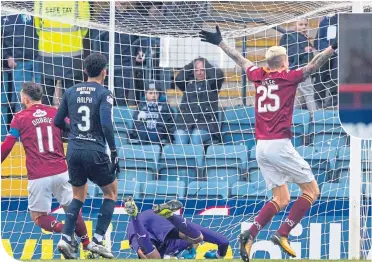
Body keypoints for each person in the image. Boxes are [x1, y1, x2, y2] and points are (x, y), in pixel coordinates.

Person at [200, 26, 337, 261]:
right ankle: (283, 233)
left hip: (260, 147)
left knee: (282, 198)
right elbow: (314, 65)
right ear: (284, 62)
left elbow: (241, 60)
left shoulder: (258, 76)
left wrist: (220, 42)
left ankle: (250, 233)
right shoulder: (288, 77)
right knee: (312, 191)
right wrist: (333, 48)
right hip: (279, 144)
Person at [0, 82, 90, 258]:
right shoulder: (55, 112)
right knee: (72, 209)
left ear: (25, 98)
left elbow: (8, 144)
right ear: (40, 97)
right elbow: (73, 129)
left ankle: (65, 231)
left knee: (39, 216)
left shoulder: (19, 117)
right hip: (62, 171)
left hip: (39, 174)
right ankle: (87, 244)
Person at [54, 53, 119, 259]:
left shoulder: (70, 91)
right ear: (104, 72)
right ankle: (98, 241)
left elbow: (57, 121)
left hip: (73, 150)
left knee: (77, 197)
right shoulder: (104, 93)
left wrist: (73, 129)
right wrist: (114, 151)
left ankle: (65, 238)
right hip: (95, 149)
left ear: (85, 71)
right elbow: (106, 125)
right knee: (110, 194)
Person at [124, 198, 229, 259]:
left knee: (197, 238)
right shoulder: (180, 242)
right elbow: (223, 242)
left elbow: (223, 242)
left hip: (146, 224)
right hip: (158, 218)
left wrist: (193, 250)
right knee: (197, 238)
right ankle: (169, 216)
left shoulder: (179, 242)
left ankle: (135, 216)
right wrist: (217, 256)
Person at [34, 0, 90, 106]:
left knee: (45, 98)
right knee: (72, 98)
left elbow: (37, 26)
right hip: (72, 53)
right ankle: (70, 121)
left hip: (47, 53)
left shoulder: (40, 1)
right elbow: (84, 25)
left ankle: (44, 121)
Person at [173, 57, 224, 145]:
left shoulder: (212, 85)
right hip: (186, 124)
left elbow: (217, 76)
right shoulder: (189, 84)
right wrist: (192, 63)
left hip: (206, 125)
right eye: (196, 70)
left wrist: (205, 63)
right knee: (180, 135)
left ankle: (196, 159)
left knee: (196, 136)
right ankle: (182, 159)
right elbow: (178, 79)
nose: (199, 73)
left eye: (202, 70)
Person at [2, 13, 40, 113]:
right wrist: (7, 57)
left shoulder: (31, 6)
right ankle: (22, 127)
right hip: (18, 62)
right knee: (22, 100)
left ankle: (40, 126)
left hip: (39, 59)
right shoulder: (3, 15)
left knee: (41, 97)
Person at [279, 19, 317, 114]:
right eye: (300, 24)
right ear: (294, 25)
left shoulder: (303, 37)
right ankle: (316, 116)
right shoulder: (290, 36)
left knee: (301, 97)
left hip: (306, 70)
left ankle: (290, 116)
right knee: (308, 93)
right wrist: (304, 51)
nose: (304, 27)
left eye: (305, 24)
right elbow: (288, 54)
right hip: (298, 70)